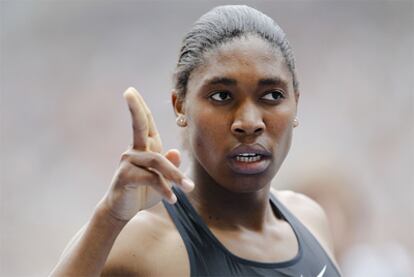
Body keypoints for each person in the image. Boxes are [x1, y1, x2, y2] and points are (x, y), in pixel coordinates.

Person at [50, 5, 341, 277]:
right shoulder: (148, 242)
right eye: (221, 96)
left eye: (273, 95)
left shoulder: (311, 219)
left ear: (296, 103)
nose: (250, 122)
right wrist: (110, 216)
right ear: (180, 105)